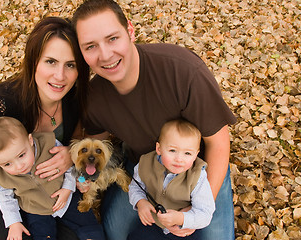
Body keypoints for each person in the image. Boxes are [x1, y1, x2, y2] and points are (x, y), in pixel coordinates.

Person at [72, 0, 237, 239]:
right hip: (143, 166)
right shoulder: (94, 96)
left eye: (112, 38)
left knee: (213, 236)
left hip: (196, 167)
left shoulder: (183, 72)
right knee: (114, 231)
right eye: (90, 46)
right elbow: (93, 148)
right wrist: (79, 175)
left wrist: (199, 208)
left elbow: (219, 143)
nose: (105, 55)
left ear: (130, 30)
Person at [0, 16, 89, 240]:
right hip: (14, 197)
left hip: (56, 188)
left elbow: (76, 140)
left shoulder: (76, 98)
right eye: (51, 62)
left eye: (70, 65)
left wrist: (71, 154)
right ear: (33, 60)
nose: (60, 76)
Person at [0, 117, 105, 240]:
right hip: (35, 209)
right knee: (42, 234)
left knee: (88, 226)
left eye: (21, 155)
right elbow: (4, 199)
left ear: (30, 140)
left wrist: (67, 188)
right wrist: (14, 223)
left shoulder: (48, 145)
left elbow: (68, 166)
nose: (19, 166)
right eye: (7, 164)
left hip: (65, 199)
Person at [128, 119, 215, 240]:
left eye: (187, 153)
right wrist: (140, 202)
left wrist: (181, 218)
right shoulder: (145, 163)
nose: (179, 159)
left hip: (183, 230)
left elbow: (205, 213)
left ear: (196, 155)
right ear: (159, 149)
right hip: (152, 222)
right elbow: (135, 186)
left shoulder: (197, 176)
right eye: (172, 150)